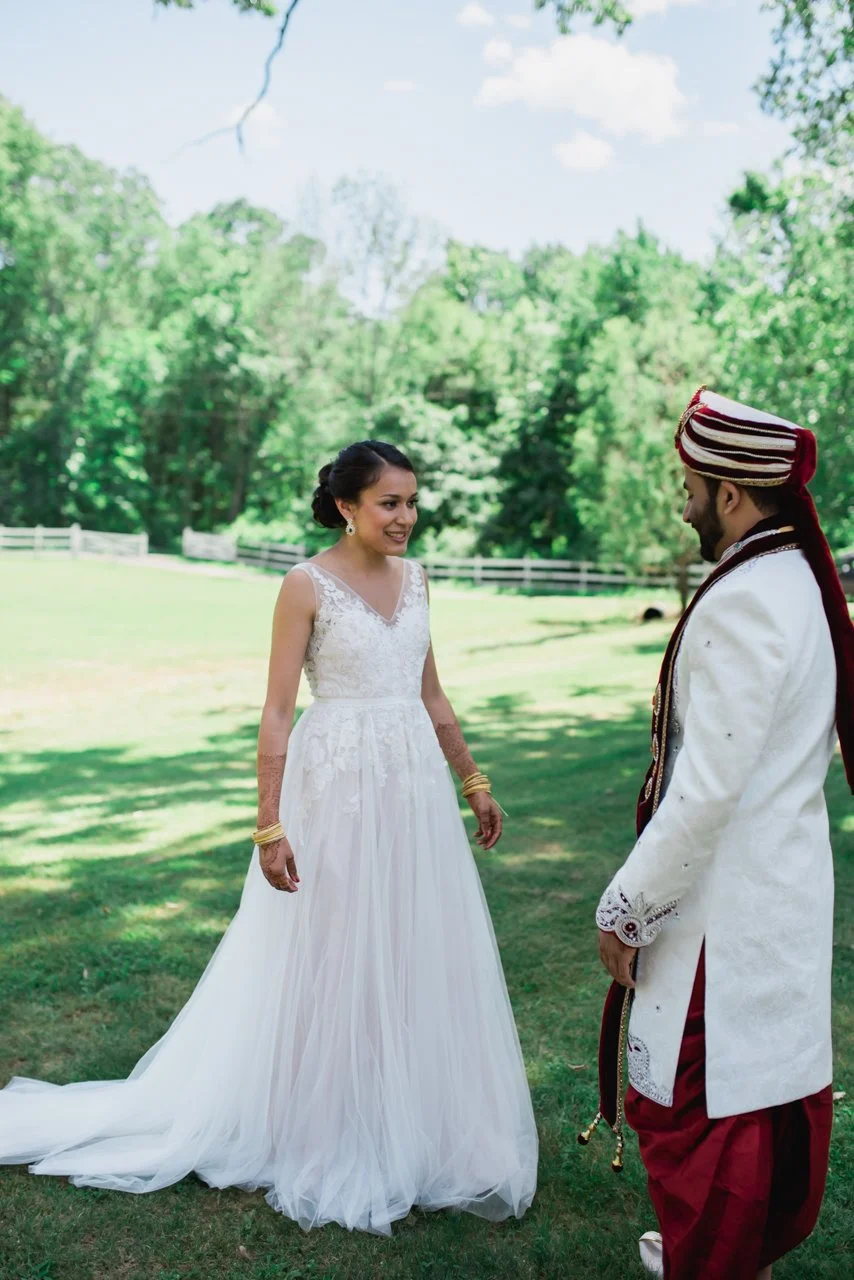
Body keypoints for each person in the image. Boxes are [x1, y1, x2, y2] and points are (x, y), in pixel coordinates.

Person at [0, 439, 538, 1234]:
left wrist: (473, 779)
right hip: (336, 788)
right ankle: (319, 1122)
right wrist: (269, 820)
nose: (406, 518)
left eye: (413, 502)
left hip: (412, 790)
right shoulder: (304, 585)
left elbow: (432, 694)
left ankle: (413, 1116)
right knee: (332, 945)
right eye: (390, 503)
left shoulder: (419, 581)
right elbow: (279, 711)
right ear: (348, 506)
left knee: (410, 942)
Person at [594, 389, 854, 1279]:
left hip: (727, 908)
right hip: (777, 886)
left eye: (691, 487)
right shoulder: (798, 581)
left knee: (704, 1108)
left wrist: (626, 906)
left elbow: (707, 789)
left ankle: (715, 1259)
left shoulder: (749, 598)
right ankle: (729, 1256)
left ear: (732, 494)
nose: (685, 504)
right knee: (758, 1094)